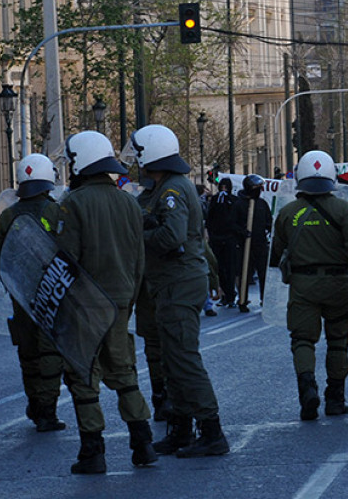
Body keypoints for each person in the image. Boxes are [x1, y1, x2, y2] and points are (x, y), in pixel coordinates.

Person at [56, 132, 157, 474]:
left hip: (86, 303)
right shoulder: (128, 202)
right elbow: (139, 258)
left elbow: (66, 259)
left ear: (80, 162)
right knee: (124, 370)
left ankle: (93, 451)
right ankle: (143, 443)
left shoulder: (72, 204)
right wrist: (129, 297)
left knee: (83, 375)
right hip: (121, 300)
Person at [133, 124, 228, 457]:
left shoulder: (172, 190)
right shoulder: (163, 188)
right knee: (171, 360)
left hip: (179, 282)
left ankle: (212, 431)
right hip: (170, 283)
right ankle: (181, 429)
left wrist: (140, 237)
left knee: (184, 359)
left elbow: (172, 237)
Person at [270, 151, 348, 420]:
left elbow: (276, 252)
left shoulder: (287, 213)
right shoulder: (343, 210)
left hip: (302, 285)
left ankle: (307, 389)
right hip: (338, 284)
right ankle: (335, 399)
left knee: (303, 340)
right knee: (338, 340)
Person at [0, 153, 68, 432]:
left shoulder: (8, 215)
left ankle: (35, 403)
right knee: (50, 352)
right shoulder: (57, 212)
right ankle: (47, 410)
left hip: (21, 293)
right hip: (52, 290)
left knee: (28, 351)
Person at [231, 174, 272, 312]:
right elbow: (232, 223)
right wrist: (242, 232)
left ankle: (264, 299)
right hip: (244, 245)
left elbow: (268, 221)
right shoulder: (239, 204)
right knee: (244, 273)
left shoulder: (262, 204)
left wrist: (270, 229)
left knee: (263, 273)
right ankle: (243, 300)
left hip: (260, 243)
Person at [206, 178, 238, 307]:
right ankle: (225, 294)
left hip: (228, 238)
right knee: (220, 269)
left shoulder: (233, 200)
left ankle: (230, 295)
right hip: (218, 238)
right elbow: (210, 217)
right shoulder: (215, 200)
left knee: (229, 268)